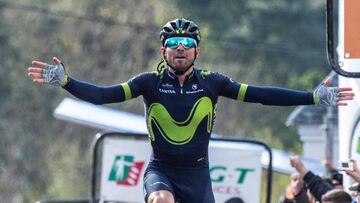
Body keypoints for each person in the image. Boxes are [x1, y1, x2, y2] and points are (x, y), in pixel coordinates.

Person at [27, 18, 354, 203]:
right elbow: (101, 95)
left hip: (197, 175)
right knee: (161, 201)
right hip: (162, 169)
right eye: (172, 44)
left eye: (186, 44)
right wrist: (67, 81)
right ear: (163, 52)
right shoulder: (148, 83)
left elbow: (262, 95)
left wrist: (313, 97)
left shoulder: (214, 83)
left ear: (197, 50)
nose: (179, 49)